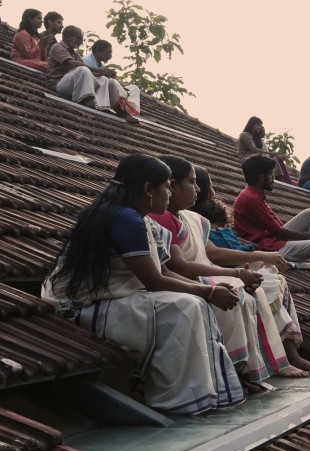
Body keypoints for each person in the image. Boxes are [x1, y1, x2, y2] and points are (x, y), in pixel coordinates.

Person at [41, 154, 244, 414]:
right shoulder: (125, 218)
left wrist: (209, 291)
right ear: (148, 189)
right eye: (166, 187)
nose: (169, 195)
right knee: (185, 307)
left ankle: (198, 394)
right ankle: (177, 399)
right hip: (84, 305)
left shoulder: (143, 220)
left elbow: (165, 271)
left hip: (115, 299)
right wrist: (209, 291)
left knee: (194, 304)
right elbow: (154, 280)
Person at [193, 167, 310, 374]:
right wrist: (260, 255)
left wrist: (257, 250)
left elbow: (233, 239)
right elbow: (215, 254)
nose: (213, 191)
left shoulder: (209, 214)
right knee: (263, 285)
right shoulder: (193, 219)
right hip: (225, 268)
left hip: (244, 260)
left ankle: (291, 355)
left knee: (276, 279)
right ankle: (279, 359)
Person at [233, 154, 310, 282]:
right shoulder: (251, 199)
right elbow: (278, 231)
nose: (273, 178)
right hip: (269, 248)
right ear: (261, 178)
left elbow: (277, 226)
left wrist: (306, 240)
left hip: (272, 239)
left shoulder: (254, 194)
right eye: (270, 175)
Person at [44, 26, 136, 122]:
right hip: (58, 84)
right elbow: (72, 63)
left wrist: (103, 74)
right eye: (79, 38)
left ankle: (117, 109)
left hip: (72, 85)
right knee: (83, 69)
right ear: (69, 36)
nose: (81, 42)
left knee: (106, 80)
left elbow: (91, 74)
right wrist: (100, 71)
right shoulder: (57, 47)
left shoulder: (75, 54)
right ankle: (87, 100)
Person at [83, 40, 141, 117]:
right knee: (108, 80)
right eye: (107, 53)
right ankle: (121, 103)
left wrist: (120, 85)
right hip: (94, 91)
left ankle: (129, 107)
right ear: (97, 50)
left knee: (134, 88)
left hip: (107, 88)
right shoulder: (86, 60)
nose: (110, 56)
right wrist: (101, 73)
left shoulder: (101, 65)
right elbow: (86, 77)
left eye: (110, 53)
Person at [236, 117, 294, 184]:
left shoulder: (255, 137)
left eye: (260, 126)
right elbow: (254, 149)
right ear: (252, 125)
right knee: (266, 160)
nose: (259, 127)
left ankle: (278, 179)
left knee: (274, 159)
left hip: (253, 156)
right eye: (258, 125)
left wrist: (271, 154)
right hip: (246, 157)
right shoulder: (245, 135)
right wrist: (269, 153)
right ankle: (270, 178)